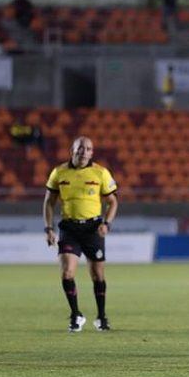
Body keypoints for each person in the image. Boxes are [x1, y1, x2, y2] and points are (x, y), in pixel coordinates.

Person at [43, 137, 119, 332]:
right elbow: (49, 202)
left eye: (88, 149)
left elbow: (113, 201)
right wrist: (49, 228)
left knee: (97, 276)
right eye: (80, 148)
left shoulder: (100, 172)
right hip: (69, 228)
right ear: (72, 150)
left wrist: (107, 224)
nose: (84, 152)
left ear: (92, 153)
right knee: (67, 272)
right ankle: (76, 315)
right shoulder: (59, 172)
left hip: (93, 229)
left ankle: (101, 317)